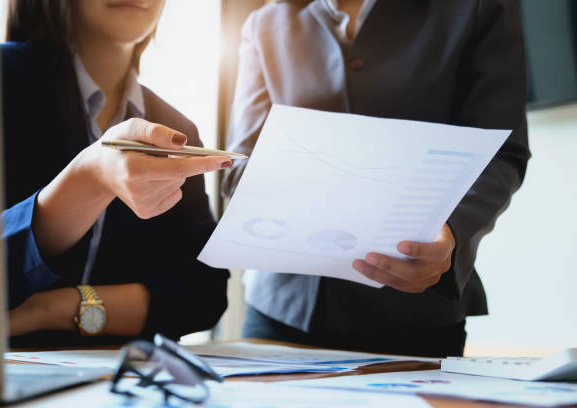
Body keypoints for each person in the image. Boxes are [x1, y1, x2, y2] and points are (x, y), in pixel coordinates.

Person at [223, 0, 531, 357]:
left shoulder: (477, 8)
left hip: (415, 310)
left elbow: (502, 152)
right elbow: (240, 165)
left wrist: (452, 230)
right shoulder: (263, 23)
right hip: (283, 308)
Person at [2, 0, 230, 347]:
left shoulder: (177, 129)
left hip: (119, 381)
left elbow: (204, 293)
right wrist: (89, 176)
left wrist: (52, 309)